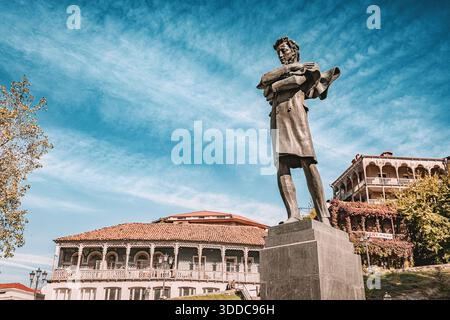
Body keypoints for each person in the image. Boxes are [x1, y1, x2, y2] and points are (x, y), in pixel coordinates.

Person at [257, 37, 340, 224]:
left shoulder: (308, 66)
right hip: (277, 118)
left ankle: (323, 215)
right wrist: (286, 71)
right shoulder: (283, 70)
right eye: (278, 52)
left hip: (296, 115)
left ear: (293, 50)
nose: (281, 54)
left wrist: (276, 85)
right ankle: (293, 215)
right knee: (282, 166)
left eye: (284, 50)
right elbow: (264, 81)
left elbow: (297, 80)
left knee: (308, 161)